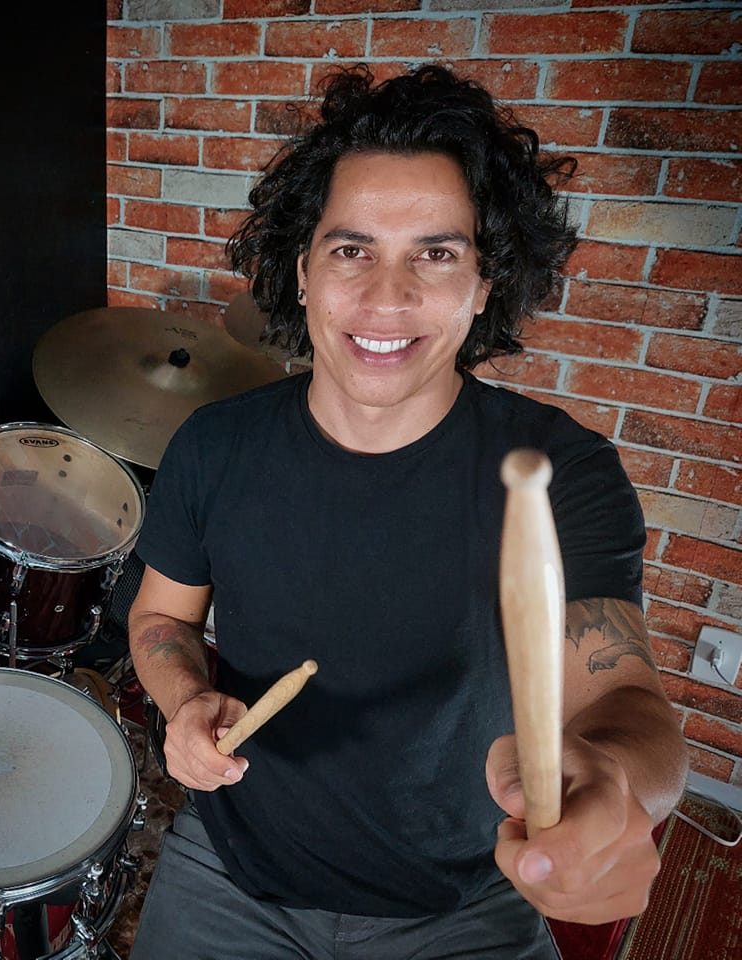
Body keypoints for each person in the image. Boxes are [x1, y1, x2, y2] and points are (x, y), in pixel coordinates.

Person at [126, 64, 688, 960]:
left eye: (436, 253)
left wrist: (614, 784)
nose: (386, 297)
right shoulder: (214, 447)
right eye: (352, 250)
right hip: (232, 867)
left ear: (484, 284)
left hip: (465, 892)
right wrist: (185, 699)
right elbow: (161, 618)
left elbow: (623, 694)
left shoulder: (557, 472)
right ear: (302, 273)